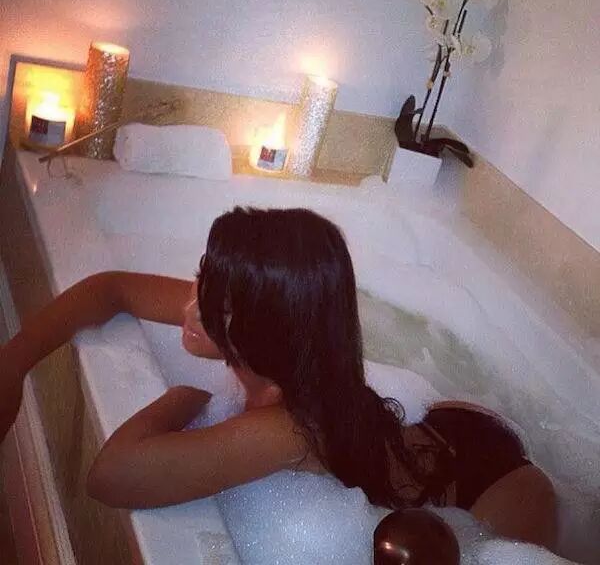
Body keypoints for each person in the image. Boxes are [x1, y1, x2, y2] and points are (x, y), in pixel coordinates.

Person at [0, 207, 557, 549]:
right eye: (200, 278)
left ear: (260, 328)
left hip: (491, 484)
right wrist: (12, 364)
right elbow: (114, 287)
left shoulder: (287, 428)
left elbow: (111, 477)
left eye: (213, 298)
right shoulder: (265, 336)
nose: (190, 304)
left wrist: (183, 397)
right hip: (429, 430)